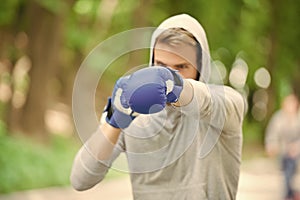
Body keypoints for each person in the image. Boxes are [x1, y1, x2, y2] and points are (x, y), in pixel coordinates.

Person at [70, 14, 245, 200]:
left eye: (181, 67)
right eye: (160, 65)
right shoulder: (135, 114)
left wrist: (173, 86)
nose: (165, 73)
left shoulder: (226, 104)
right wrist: (114, 120)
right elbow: (81, 180)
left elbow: (206, 101)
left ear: (200, 67)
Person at [265, 94, 300, 200]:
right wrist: (271, 145)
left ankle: (289, 193)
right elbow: (272, 134)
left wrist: (296, 147)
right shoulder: (278, 118)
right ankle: (290, 192)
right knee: (287, 164)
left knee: (290, 164)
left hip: (297, 151)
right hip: (283, 150)